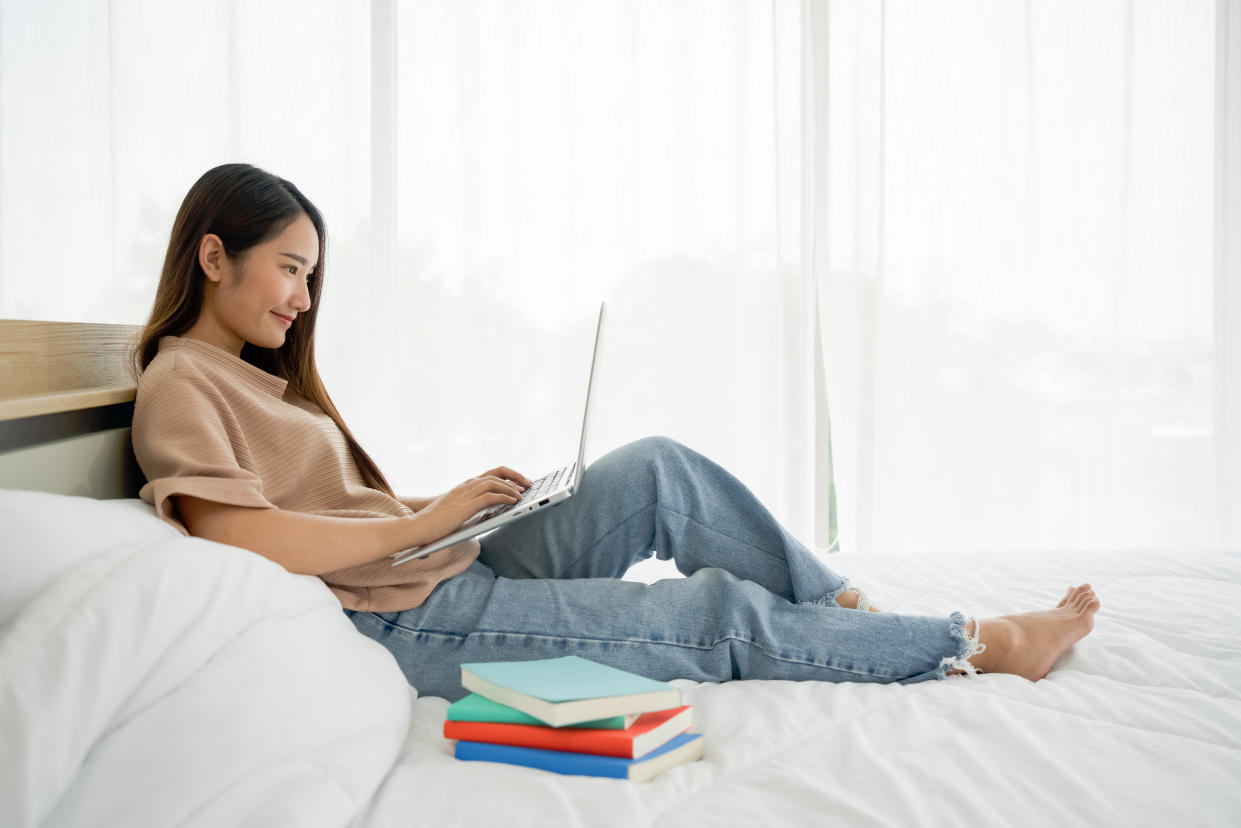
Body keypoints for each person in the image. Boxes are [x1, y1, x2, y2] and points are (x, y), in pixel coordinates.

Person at [130, 163, 1101, 701]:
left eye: (310, 275)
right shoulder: (180, 383)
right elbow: (240, 535)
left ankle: (838, 601)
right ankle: (971, 642)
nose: (303, 297)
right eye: (290, 269)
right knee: (710, 612)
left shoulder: (260, 382)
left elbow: (323, 508)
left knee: (658, 474)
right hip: (407, 621)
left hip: (438, 562)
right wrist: (417, 528)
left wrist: (449, 503)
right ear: (215, 255)